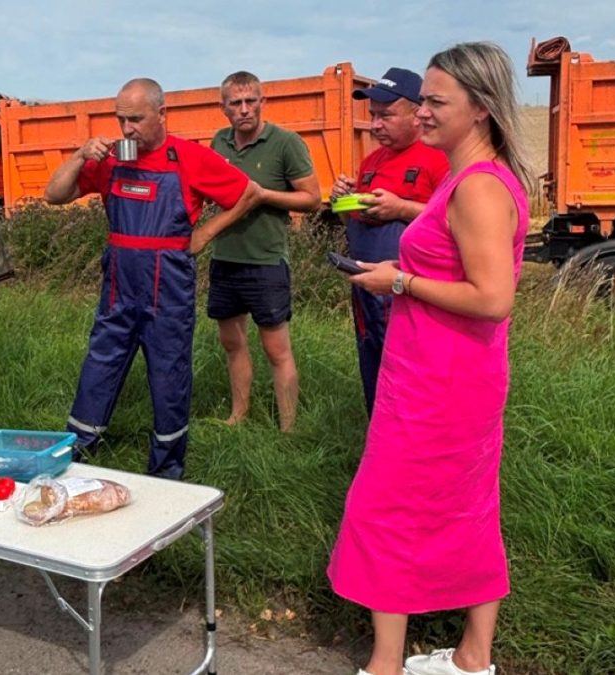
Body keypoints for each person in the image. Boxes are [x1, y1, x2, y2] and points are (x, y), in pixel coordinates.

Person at [326, 43, 533, 675]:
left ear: (481, 109)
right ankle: (473, 657)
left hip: (440, 383)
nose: (422, 114)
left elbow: (494, 298)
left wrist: (400, 282)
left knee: (384, 508)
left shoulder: (475, 187)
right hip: (446, 374)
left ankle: (385, 665)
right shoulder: (475, 178)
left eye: (437, 103)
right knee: (464, 505)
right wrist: (400, 269)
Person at [44, 78, 261, 479]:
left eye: (136, 120)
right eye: (121, 120)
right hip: (119, 282)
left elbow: (247, 193)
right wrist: (78, 156)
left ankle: (165, 470)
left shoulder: (189, 157)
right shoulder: (111, 159)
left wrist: (204, 234)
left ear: (162, 114)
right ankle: (75, 454)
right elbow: (54, 195)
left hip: (168, 283)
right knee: (99, 364)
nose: (127, 130)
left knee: (169, 371)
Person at [330, 68, 449, 416]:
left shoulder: (439, 158)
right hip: (367, 287)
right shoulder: (371, 162)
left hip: (409, 288)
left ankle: (413, 448)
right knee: (373, 364)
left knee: (408, 372)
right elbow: (350, 220)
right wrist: (344, 199)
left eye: (386, 116)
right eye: (373, 117)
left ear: (417, 113)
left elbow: (455, 221)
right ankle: (378, 439)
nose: (375, 125)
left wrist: (401, 208)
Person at [208, 71, 321, 432]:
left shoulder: (286, 143)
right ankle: (239, 414)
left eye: (250, 101)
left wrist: (263, 195)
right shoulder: (219, 143)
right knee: (232, 342)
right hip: (225, 259)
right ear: (223, 108)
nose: (244, 110)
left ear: (262, 102)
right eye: (235, 103)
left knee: (276, 349)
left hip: (266, 262)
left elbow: (312, 199)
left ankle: (288, 428)